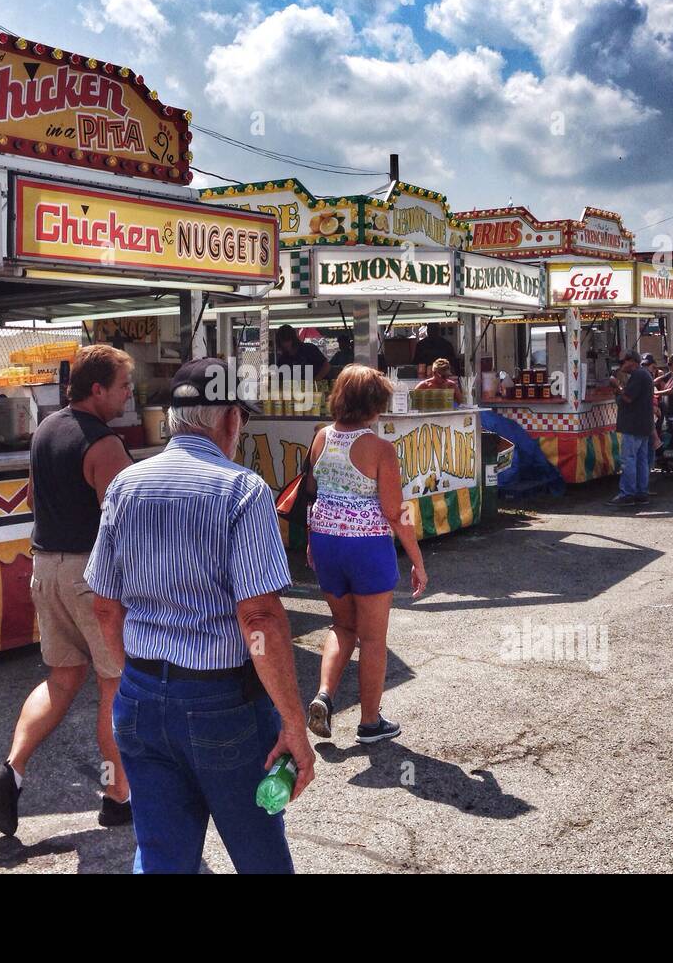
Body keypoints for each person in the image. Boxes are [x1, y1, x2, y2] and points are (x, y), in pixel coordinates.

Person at [85, 358, 315, 874]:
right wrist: (295, 724)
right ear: (231, 419)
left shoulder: (127, 486)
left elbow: (104, 603)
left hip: (140, 697)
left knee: (162, 852)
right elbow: (258, 618)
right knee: (258, 851)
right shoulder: (242, 490)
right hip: (222, 704)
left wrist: (140, 680)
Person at [0, 345, 135, 837]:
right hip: (92, 573)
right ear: (98, 389)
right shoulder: (104, 445)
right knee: (115, 683)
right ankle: (116, 797)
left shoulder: (46, 429)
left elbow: (31, 497)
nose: (129, 396)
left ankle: (10, 769)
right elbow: (121, 525)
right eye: (123, 387)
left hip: (44, 565)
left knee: (62, 676)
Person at [304, 366, 428, 746]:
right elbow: (396, 511)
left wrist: (311, 540)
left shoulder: (321, 438)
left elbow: (314, 491)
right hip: (366, 546)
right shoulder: (380, 449)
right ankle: (370, 722)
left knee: (342, 626)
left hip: (326, 542)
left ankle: (324, 695)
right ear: (374, 405)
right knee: (373, 639)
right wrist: (417, 559)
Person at [610, 351, 654, 506]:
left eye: (624, 362)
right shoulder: (645, 374)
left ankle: (627, 494)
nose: (622, 366)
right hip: (643, 424)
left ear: (632, 361)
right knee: (641, 460)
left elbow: (628, 398)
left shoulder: (638, 375)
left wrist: (617, 386)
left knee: (629, 460)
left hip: (633, 424)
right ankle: (641, 493)